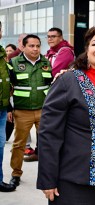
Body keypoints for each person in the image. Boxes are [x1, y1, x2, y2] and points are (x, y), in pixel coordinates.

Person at [37, 25, 95, 205]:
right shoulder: (68, 81)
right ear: (87, 51)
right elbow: (49, 132)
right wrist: (47, 178)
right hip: (73, 181)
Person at [23, 28, 75, 162]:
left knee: (52, 126)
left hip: (60, 92)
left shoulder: (65, 51)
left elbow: (53, 72)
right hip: (50, 92)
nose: (50, 39)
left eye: (53, 36)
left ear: (61, 38)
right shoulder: (51, 52)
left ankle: (47, 154)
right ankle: (40, 152)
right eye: (48, 36)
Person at [8, 34, 52, 187]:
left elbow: (50, 85)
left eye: (38, 46)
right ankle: (16, 174)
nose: (35, 49)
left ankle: (48, 175)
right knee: (19, 145)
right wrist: (9, 108)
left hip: (44, 111)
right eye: (31, 46)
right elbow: (8, 88)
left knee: (47, 143)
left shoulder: (46, 62)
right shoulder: (14, 63)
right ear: (24, 47)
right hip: (22, 111)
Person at [6, 33, 34, 157]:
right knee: (20, 124)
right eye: (23, 42)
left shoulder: (35, 57)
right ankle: (23, 147)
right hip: (17, 98)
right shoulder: (13, 57)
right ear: (19, 42)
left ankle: (24, 146)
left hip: (33, 99)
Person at [0, 21, 16, 192]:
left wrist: (10, 108)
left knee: (0, 146)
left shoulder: (2, 54)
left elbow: (7, 84)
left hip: (2, 109)